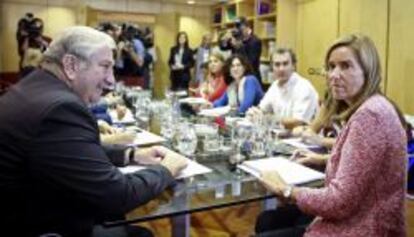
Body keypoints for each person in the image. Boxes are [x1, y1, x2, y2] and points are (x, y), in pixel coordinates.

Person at [0, 26, 187, 237]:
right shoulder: (60, 108)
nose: (111, 81)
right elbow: (117, 196)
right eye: (105, 67)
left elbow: (69, 153)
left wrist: (131, 154)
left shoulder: (36, 88)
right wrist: (167, 169)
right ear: (71, 65)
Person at [256, 34, 407, 236]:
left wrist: (285, 190)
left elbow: (339, 203)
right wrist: (322, 158)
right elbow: (363, 164)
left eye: (345, 66)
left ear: (368, 71)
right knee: (266, 220)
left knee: (267, 225)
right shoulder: (373, 105)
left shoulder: (370, 116)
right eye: (331, 66)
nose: (334, 74)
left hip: (364, 228)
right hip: (360, 218)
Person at [247, 48, 319, 130]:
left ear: (293, 66)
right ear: (272, 68)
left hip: (303, 140)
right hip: (283, 136)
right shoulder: (275, 85)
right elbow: (262, 108)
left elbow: (298, 122)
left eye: (285, 64)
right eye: (277, 65)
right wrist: (254, 113)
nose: (281, 69)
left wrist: (268, 119)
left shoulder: (304, 87)